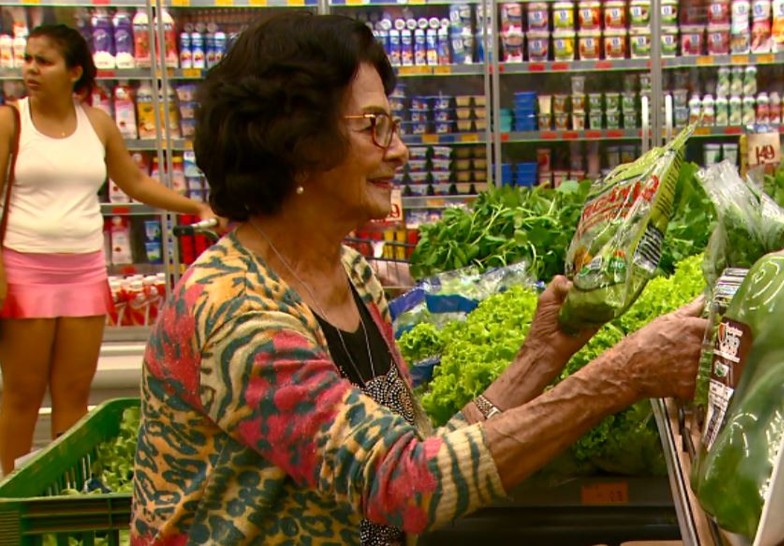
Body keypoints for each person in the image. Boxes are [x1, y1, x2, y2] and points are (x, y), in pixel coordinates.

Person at [130, 12, 706, 545]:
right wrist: (620, 376)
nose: (400, 150)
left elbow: (423, 451)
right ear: (299, 145)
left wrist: (543, 354)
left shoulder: (350, 274)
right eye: (373, 126)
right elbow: (405, 485)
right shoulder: (235, 310)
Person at [0, 24, 218, 474]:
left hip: (83, 271)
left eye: (44, 61)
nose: (32, 70)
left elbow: (133, 182)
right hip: (24, 270)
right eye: (29, 59)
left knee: (74, 395)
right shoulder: (10, 121)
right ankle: (9, 500)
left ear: (74, 71)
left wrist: (194, 204)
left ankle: (70, 493)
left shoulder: (96, 124)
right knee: (22, 395)